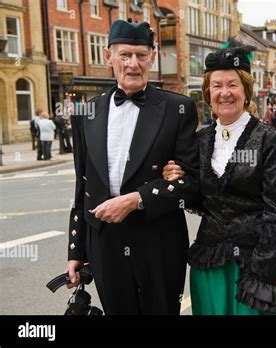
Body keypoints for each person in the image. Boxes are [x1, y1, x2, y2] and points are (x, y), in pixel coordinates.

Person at [65, 19, 200, 315]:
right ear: (108, 56)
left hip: (159, 242)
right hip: (104, 243)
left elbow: (191, 183)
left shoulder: (178, 108)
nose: (133, 64)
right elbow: (82, 187)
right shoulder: (85, 112)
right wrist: (76, 250)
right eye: (125, 55)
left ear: (151, 58)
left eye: (141, 55)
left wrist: (136, 200)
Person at [163, 40, 276, 315]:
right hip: (212, 264)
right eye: (217, 86)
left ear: (246, 91)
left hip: (258, 263)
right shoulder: (200, 140)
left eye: (232, 85)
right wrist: (178, 176)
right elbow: (200, 198)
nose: (224, 93)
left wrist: (263, 275)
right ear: (208, 92)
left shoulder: (269, 140)